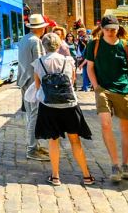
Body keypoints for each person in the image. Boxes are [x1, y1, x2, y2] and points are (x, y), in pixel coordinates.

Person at [32, 33, 95, 186]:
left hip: (49, 106)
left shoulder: (38, 63)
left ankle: (55, 176)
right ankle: (86, 176)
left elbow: (38, 85)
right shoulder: (68, 61)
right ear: (59, 45)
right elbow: (72, 81)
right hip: (69, 106)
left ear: (44, 46)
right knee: (75, 141)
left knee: (53, 141)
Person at [86, 14, 128, 183]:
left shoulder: (127, 46)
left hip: (123, 90)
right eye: (107, 29)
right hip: (103, 89)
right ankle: (115, 164)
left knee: (125, 128)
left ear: (118, 28)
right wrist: (96, 86)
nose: (110, 32)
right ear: (101, 29)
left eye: (113, 29)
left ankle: (126, 164)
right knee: (106, 124)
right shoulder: (94, 44)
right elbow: (90, 68)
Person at [17, 13, 50, 161]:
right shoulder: (36, 41)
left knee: (31, 114)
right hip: (33, 83)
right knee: (34, 116)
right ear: (41, 28)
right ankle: (31, 149)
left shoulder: (24, 39)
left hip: (24, 80)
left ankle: (34, 145)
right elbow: (39, 64)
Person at [76, 27, 91, 91]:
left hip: (85, 57)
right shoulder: (81, 39)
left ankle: (86, 87)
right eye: (79, 32)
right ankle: (85, 86)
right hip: (83, 56)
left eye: (81, 32)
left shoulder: (86, 38)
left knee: (86, 72)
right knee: (85, 72)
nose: (79, 33)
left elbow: (86, 46)